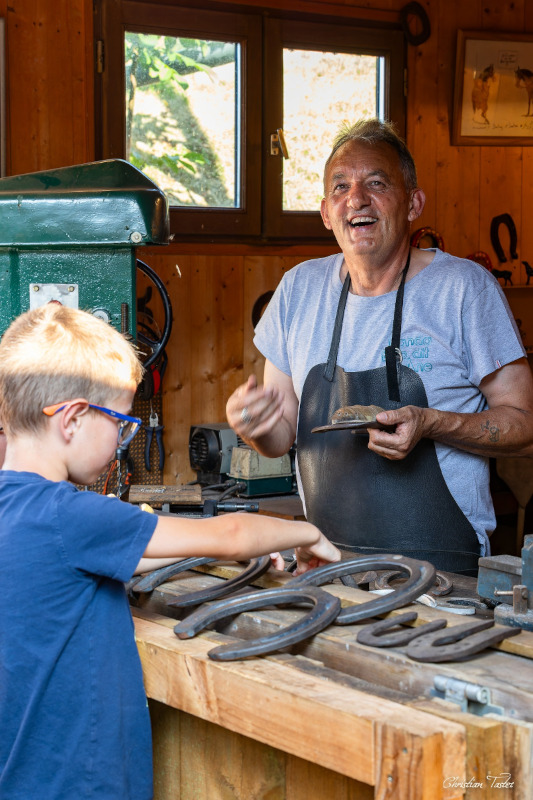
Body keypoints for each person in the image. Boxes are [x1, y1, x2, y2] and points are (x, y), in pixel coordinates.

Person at [0, 303, 340, 800]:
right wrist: (307, 534)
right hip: (78, 780)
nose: (122, 439)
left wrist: (211, 553)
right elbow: (230, 534)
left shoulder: (23, 511)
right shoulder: (70, 517)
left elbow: (129, 549)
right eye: (119, 421)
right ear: (72, 419)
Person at [226, 117, 533, 576]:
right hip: (326, 567)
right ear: (327, 212)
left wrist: (431, 423)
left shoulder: (464, 289)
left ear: (413, 204)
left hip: (443, 576)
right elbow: (281, 437)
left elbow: (524, 423)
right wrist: (253, 425)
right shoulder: (297, 291)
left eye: (376, 182)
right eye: (341, 186)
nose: (357, 198)